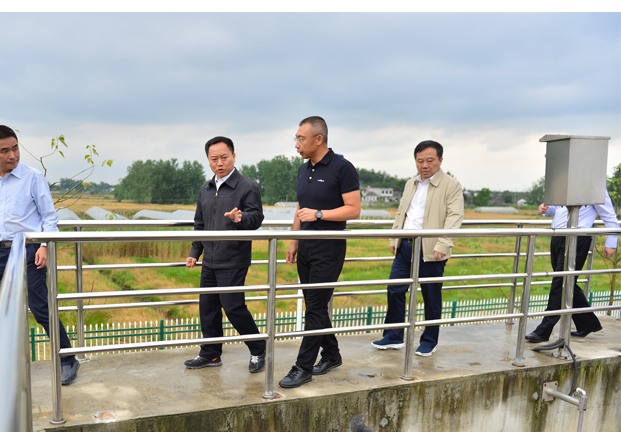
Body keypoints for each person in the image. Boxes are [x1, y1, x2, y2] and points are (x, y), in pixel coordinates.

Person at [0, 125, 80, 385]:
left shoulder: (33, 177)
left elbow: (49, 217)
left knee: (40, 307)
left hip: (31, 249)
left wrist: (44, 245)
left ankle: (67, 359)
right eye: (4, 151)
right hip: (1, 251)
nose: (12, 155)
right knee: (0, 309)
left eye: (15, 148)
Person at [279, 116, 361, 389]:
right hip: (306, 245)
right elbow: (300, 207)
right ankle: (332, 354)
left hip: (329, 246)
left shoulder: (342, 168)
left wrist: (319, 214)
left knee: (314, 307)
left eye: (301, 139)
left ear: (319, 139)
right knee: (315, 304)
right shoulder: (303, 170)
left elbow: (353, 209)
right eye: (296, 139)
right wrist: (294, 241)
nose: (296, 144)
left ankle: (303, 367)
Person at [371, 140, 464, 356]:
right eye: (420, 161)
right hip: (405, 245)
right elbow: (401, 213)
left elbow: (454, 217)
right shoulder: (410, 183)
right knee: (395, 289)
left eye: (430, 160)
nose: (425, 165)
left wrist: (443, 243)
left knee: (431, 296)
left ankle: (429, 341)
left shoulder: (451, 185)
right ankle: (394, 335)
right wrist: (394, 238)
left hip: (431, 248)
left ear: (440, 160)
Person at [184, 136, 267, 372]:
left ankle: (258, 349)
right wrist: (195, 251)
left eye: (224, 157)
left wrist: (241, 218)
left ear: (233, 157)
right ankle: (210, 354)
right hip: (210, 259)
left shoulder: (247, 186)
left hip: (233, 258)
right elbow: (200, 224)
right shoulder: (206, 189)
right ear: (208, 160)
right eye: (214, 159)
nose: (219, 163)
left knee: (233, 307)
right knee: (208, 308)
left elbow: (257, 218)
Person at [524, 189, 618, 343]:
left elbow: (609, 215)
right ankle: (588, 323)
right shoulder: (568, 183)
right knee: (567, 282)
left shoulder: (596, 187)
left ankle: (543, 330)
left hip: (577, 238)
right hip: (557, 236)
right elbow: (559, 209)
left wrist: (612, 242)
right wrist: (547, 209)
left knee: (560, 282)